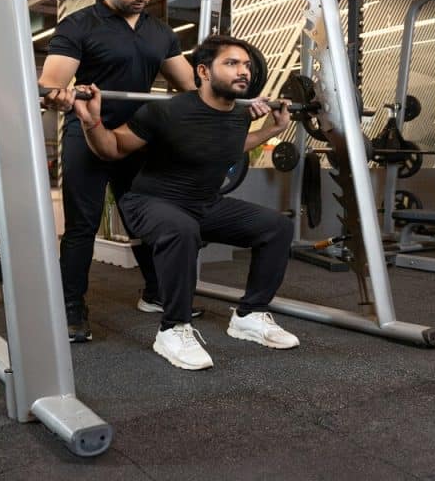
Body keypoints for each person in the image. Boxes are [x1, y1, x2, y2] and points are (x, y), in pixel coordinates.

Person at [72, 35, 300, 370]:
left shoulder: (239, 113)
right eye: (232, 63)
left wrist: (271, 128)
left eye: (247, 66)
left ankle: (249, 315)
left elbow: (229, 147)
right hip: (150, 202)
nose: (244, 72)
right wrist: (91, 121)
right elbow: (113, 149)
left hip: (204, 203)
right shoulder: (165, 110)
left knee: (277, 227)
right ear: (204, 71)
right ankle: (173, 329)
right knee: (181, 229)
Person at [39, 0, 198, 343]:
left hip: (135, 137)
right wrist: (56, 92)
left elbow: (189, 86)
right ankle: (71, 306)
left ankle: (156, 292)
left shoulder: (159, 32)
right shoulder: (79, 25)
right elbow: (52, 81)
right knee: (82, 226)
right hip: (88, 132)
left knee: (146, 219)